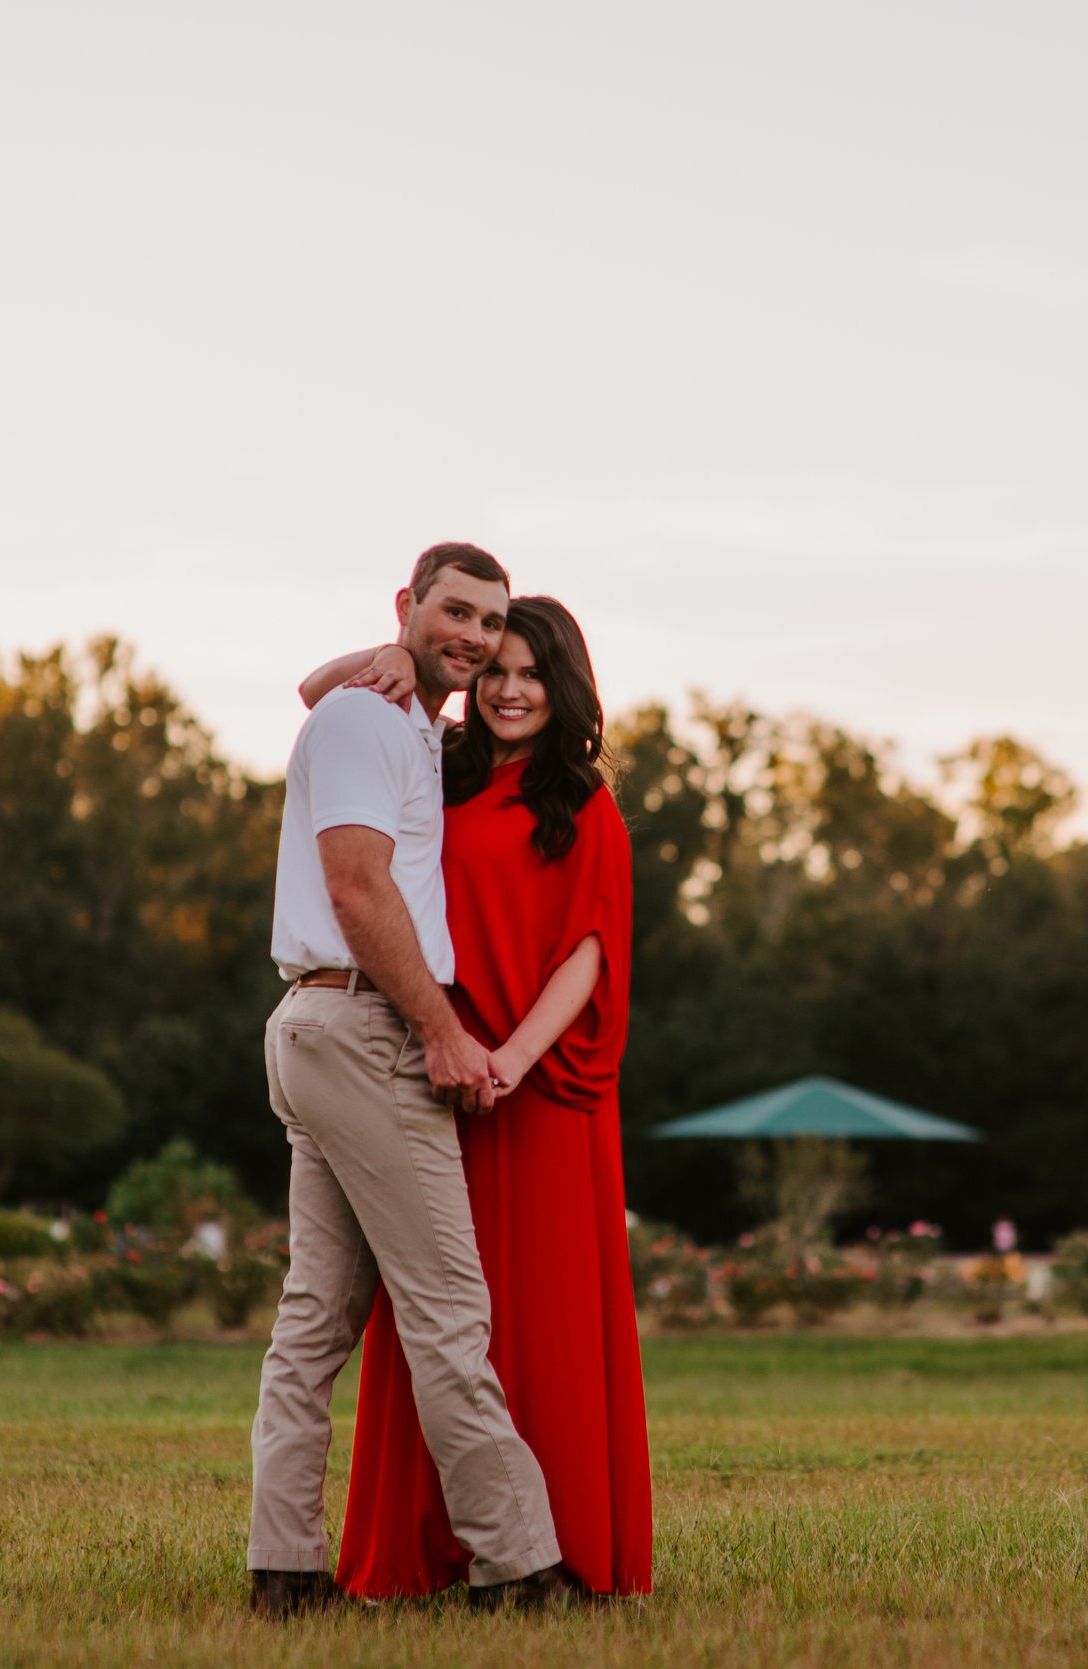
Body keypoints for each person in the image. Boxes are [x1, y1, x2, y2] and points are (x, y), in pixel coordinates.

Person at [296, 595, 653, 1601]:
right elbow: (315, 697)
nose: (509, 688)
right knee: (436, 1319)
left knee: (533, 1321)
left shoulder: (584, 803)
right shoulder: (425, 764)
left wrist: (511, 1059)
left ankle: (555, 1544)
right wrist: (381, 653)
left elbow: (589, 949)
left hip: (533, 1089)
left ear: (564, 685)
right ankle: (423, 1552)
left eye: (533, 671)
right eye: (495, 667)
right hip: (427, 1068)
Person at [246, 543, 567, 1619]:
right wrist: (437, 1027)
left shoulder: (402, 723)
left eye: (489, 621)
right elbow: (355, 884)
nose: (474, 638)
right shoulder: (363, 723)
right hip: (364, 1025)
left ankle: (284, 1572)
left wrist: (383, 656)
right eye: (453, 613)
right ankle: (519, 1567)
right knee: (446, 1310)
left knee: (316, 1321)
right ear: (408, 605)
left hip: (323, 1028)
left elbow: (308, 685)